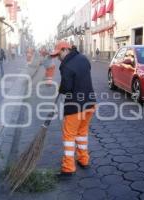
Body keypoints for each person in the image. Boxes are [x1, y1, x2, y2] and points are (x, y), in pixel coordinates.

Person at [50, 41, 96, 176]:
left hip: (75, 106)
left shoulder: (66, 65)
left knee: (69, 135)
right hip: (90, 103)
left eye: (59, 54)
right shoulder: (83, 58)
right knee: (82, 133)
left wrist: (62, 86)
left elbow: (66, 88)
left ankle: (68, 168)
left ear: (65, 50)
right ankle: (83, 160)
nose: (58, 58)